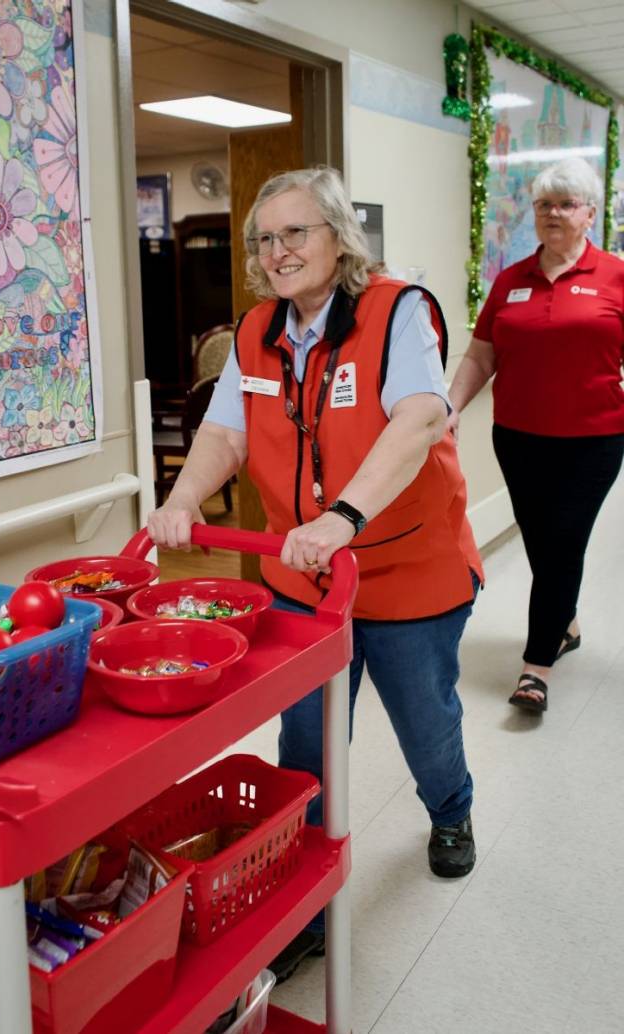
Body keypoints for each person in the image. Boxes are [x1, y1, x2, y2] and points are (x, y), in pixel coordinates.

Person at [147, 166, 483, 981]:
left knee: (424, 721)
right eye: (265, 238)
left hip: (405, 572)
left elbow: (419, 419)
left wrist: (344, 519)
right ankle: (302, 886)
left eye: (296, 232)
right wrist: (182, 498)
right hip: (300, 581)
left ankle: (451, 810)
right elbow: (226, 433)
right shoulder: (257, 330)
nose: (278, 250)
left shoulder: (399, 311)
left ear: (340, 237)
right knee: (305, 738)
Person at [448, 157, 624, 714]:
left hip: (593, 441)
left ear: (589, 214)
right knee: (544, 542)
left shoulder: (615, 277)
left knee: (564, 541)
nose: (552, 214)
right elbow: (482, 354)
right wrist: (448, 408)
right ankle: (565, 623)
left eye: (565, 204)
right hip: (519, 439)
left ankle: (535, 668)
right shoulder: (511, 278)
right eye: (544, 204)